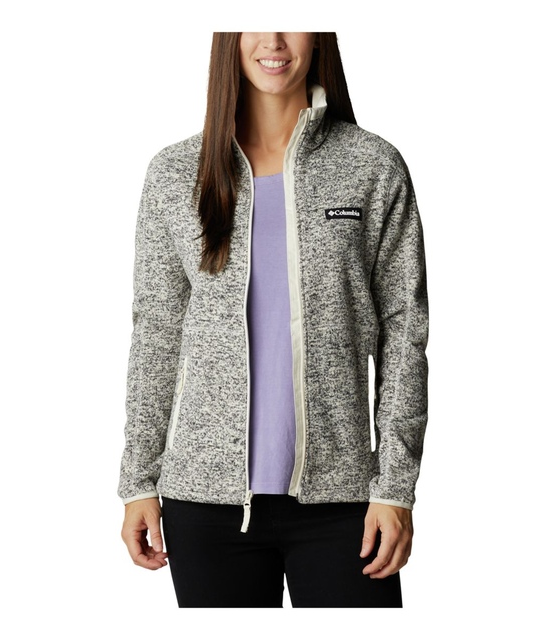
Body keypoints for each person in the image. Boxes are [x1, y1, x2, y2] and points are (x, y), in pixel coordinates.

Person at [118, 32, 429, 608]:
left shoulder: (371, 164)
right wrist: (138, 480)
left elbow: (404, 334)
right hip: (205, 502)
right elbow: (156, 335)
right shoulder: (175, 173)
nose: (275, 39)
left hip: (345, 502)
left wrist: (395, 487)